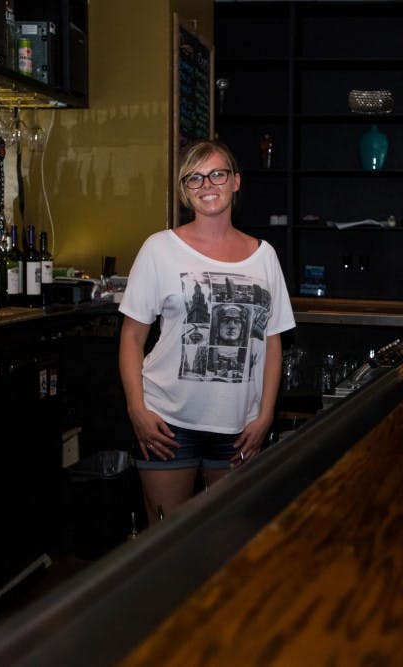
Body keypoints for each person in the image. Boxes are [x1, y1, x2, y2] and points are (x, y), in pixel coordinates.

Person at [119, 139, 295, 525]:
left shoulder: (264, 256)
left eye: (217, 173)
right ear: (185, 191)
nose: (206, 185)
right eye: (194, 178)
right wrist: (137, 409)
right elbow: (132, 337)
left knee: (229, 540)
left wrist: (265, 415)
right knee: (165, 541)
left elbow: (273, 340)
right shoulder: (159, 249)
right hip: (166, 421)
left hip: (239, 426)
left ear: (235, 182)